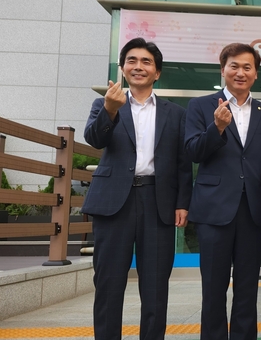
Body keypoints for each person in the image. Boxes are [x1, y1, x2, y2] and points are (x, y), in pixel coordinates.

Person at [82, 37, 193, 340]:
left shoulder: (176, 113)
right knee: (108, 282)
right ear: (122, 68)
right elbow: (95, 139)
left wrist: (183, 202)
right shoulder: (105, 103)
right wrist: (110, 110)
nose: (138, 66)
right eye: (131, 60)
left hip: (158, 201)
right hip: (113, 202)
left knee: (155, 285)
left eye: (146, 62)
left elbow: (183, 163)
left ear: (157, 72)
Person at [185, 43, 261, 340]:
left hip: (252, 209)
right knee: (213, 288)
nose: (240, 72)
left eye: (247, 67)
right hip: (214, 209)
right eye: (234, 66)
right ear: (222, 69)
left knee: (248, 287)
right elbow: (193, 152)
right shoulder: (200, 106)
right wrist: (217, 128)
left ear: (256, 74)